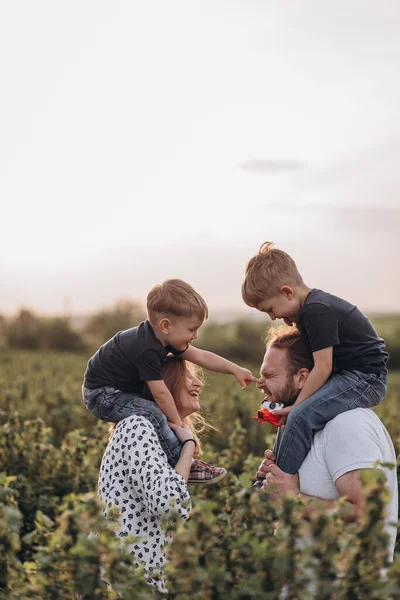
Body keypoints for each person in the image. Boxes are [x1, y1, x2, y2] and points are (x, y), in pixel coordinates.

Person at [84, 278, 256, 484]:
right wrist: (179, 425)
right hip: (101, 395)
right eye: (191, 329)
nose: (195, 336)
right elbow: (161, 393)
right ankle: (183, 462)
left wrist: (235, 369)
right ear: (166, 325)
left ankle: (177, 461)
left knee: (156, 415)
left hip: (117, 390)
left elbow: (201, 356)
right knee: (155, 413)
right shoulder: (146, 348)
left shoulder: (163, 339)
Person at [242, 242, 389, 474]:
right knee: (293, 411)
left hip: (365, 379)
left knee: (299, 415)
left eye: (270, 309)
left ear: (287, 292)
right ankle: (269, 475)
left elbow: (323, 366)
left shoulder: (316, 310)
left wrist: (298, 407)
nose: (272, 317)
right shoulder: (308, 311)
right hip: (349, 375)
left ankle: (280, 482)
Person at [255, 327, 398, 561]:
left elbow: (367, 511)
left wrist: (292, 499)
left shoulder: (347, 425)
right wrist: (274, 484)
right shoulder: (307, 426)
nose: (260, 383)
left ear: (302, 378)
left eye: (270, 376)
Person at [99, 356, 211, 593]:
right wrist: (189, 446)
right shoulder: (138, 426)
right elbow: (169, 507)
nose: (197, 383)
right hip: (121, 584)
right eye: (187, 376)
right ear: (163, 384)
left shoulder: (154, 435)